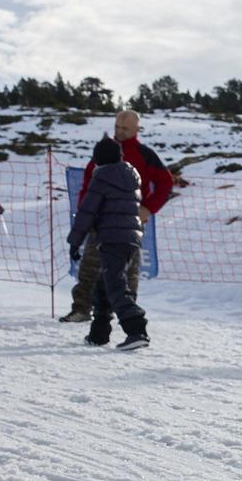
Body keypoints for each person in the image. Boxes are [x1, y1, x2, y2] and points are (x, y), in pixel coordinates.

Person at [61, 110, 172, 323]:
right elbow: (88, 187)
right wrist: (87, 214)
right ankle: (81, 309)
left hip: (130, 223)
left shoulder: (145, 155)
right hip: (100, 222)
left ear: (136, 129)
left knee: (128, 272)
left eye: (125, 129)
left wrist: (148, 208)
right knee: (90, 267)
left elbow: (166, 183)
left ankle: (126, 313)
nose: (120, 132)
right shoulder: (103, 152)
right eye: (117, 128)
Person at [66, 137, 149, 350]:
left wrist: (75, 242)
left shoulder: (102, 178)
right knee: (104, 284)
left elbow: (87, 211)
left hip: (112, 239)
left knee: (115, 285)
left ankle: (136, 329)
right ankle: (99, 333)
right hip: (132, 240)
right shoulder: (131, 177)